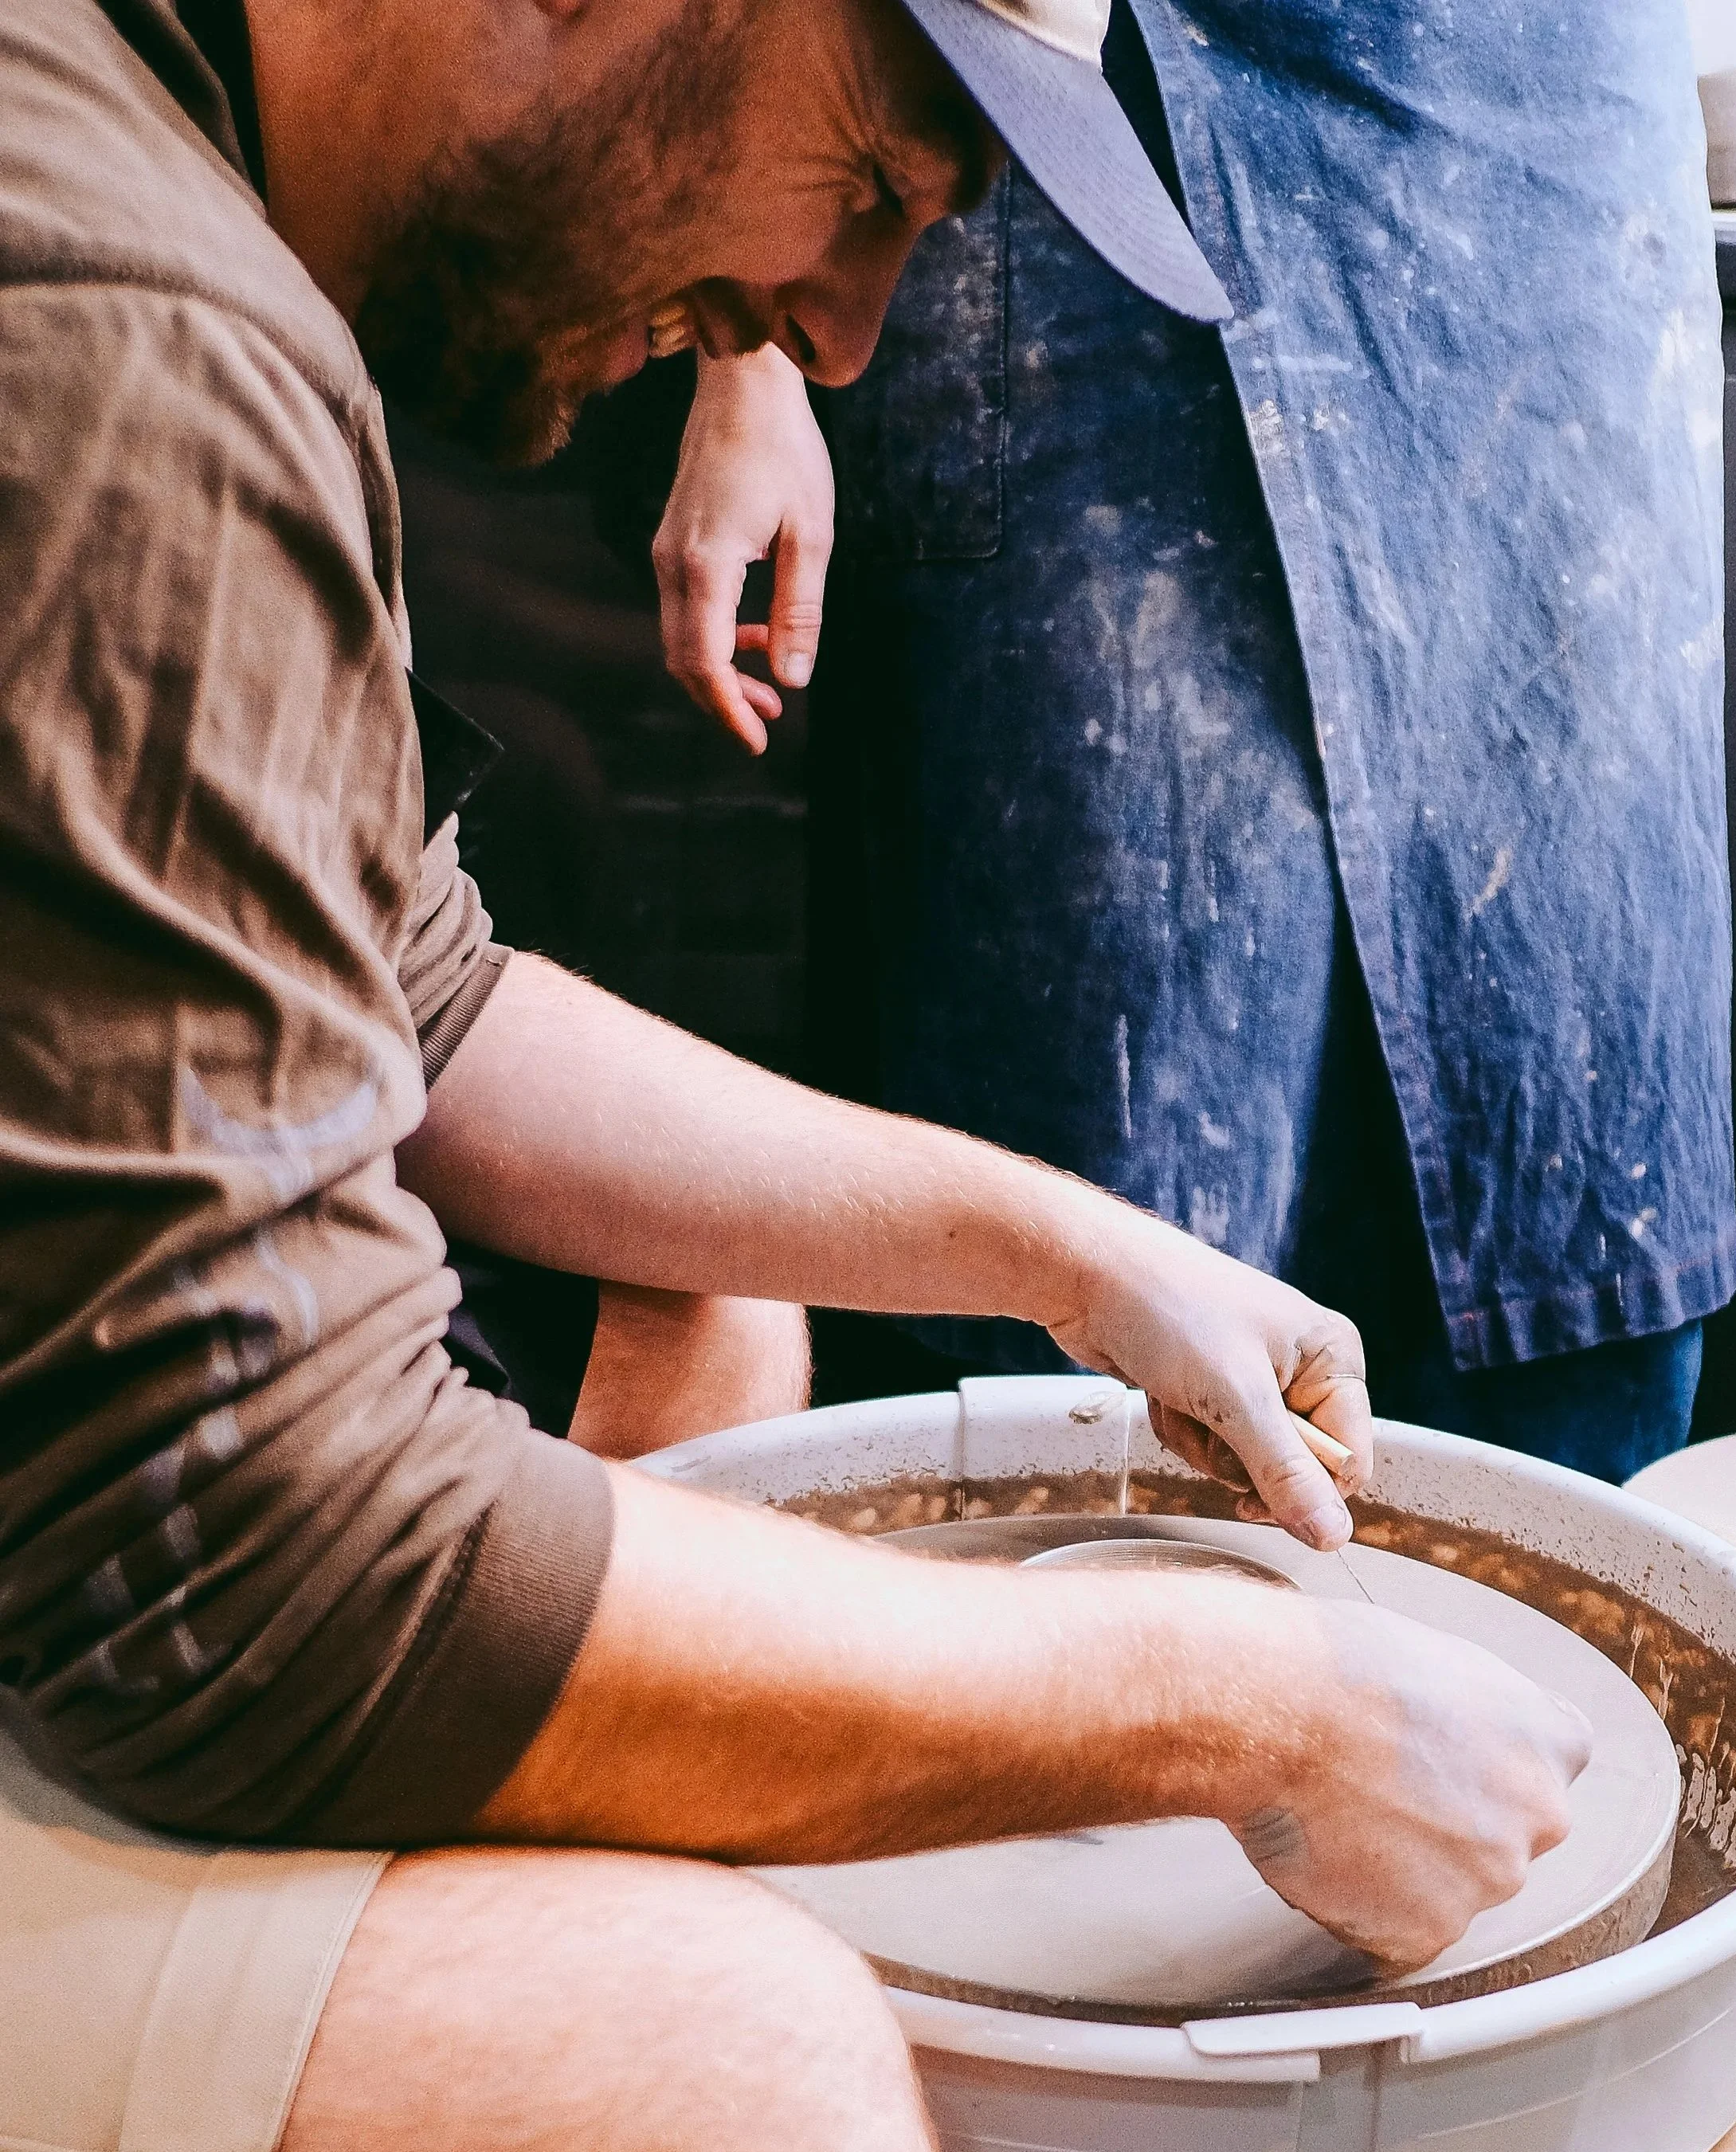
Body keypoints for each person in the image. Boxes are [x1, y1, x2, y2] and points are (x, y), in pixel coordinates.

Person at [0, 0, 1589, 2146]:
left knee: (714, 1309)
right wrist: (1236, 1704)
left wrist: (1054, 1243)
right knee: (722, 2055)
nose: (843, 338)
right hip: (148, 1570)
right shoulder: (128, 328)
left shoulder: (166, 173)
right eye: (865, 187)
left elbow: (417, 991)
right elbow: (259, 1563)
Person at [654, 0, 1734, 1484]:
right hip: (1066, 122)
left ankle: (1573, 1633)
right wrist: (752, 344)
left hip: (1531, 156)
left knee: (1548, 1060)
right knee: (1099, 1110)